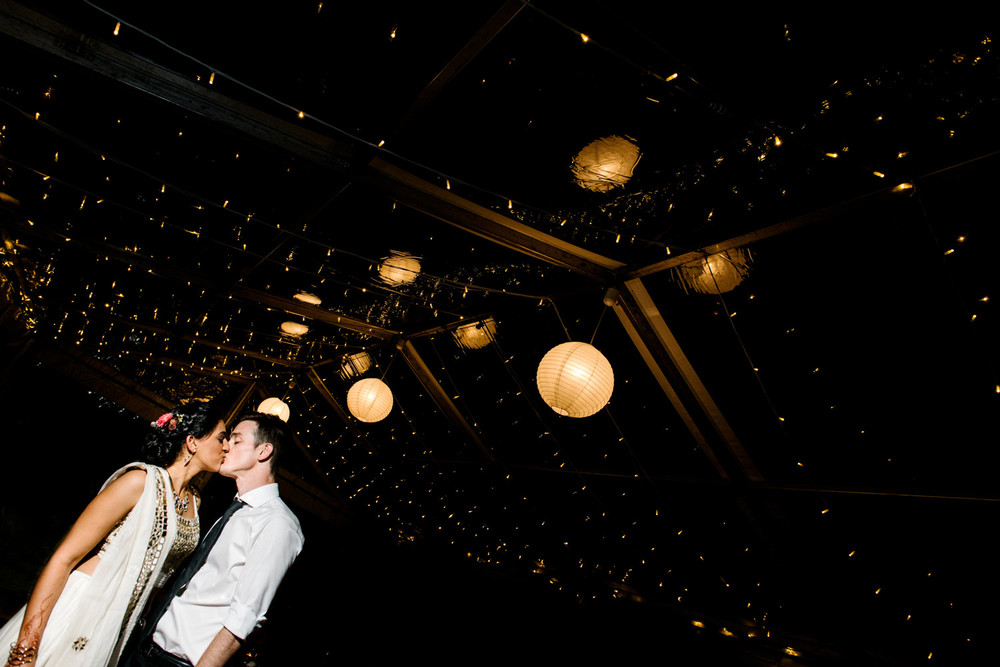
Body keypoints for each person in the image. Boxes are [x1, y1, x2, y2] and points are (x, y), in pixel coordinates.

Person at [1, 402, 228, 667]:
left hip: (116, 625)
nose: (227, 447)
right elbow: (63, 559)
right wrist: (26, 648)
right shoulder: (138, 482)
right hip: (80, 606)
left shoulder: (194, 503)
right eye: (222, 438)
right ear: (192, 442)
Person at [125, 411, 303, 667]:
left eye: (237, 440)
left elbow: (245, 617)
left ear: (263, 452)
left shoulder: (278, 523)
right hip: (147, 648)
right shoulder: (236, 511)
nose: (227, 446)